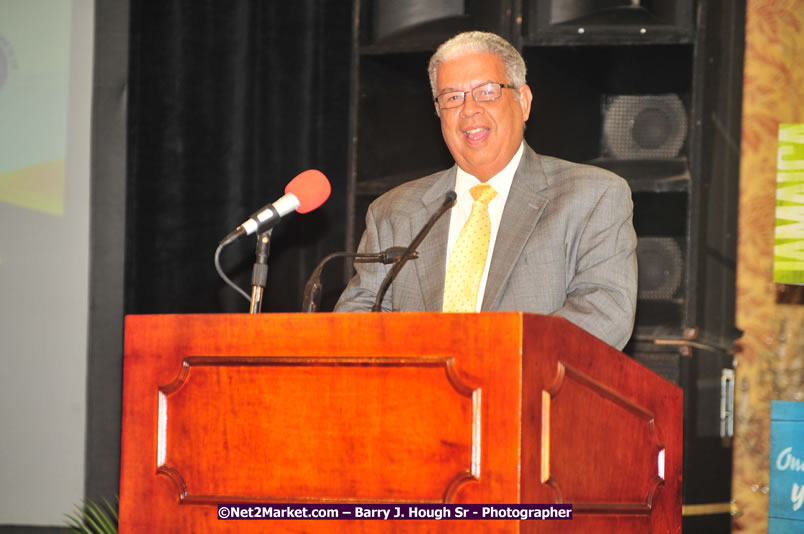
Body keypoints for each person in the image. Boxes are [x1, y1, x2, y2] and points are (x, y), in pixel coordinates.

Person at [335, 31, 637, 351]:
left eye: (487, 91)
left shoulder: (593, 196)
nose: (469, 110)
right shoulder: (393, 212)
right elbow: (356, 322)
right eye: (452, 97)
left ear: (523, 102)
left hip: (529, 395)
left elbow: (604, 313)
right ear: (438, 113)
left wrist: (489, 362)